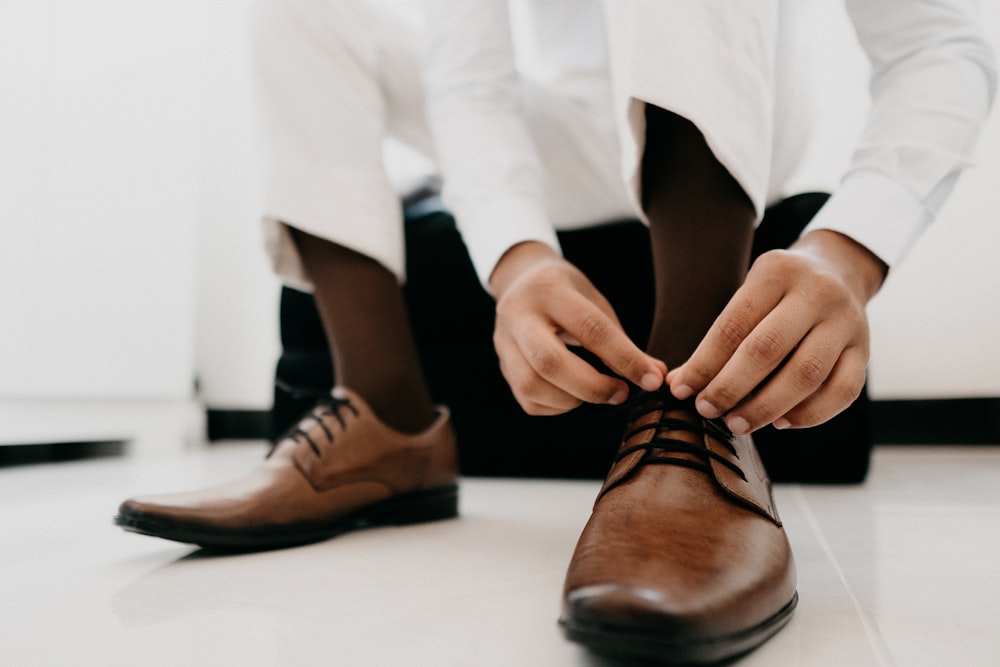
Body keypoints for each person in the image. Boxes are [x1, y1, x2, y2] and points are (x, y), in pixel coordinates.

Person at [115, 0, 996, 663]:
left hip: (742, 124)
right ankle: (384, 419)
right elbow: (472, 80)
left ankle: (687, 418)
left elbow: (940, 42)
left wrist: (851, 249)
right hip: (576, 137)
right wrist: (517, 260)